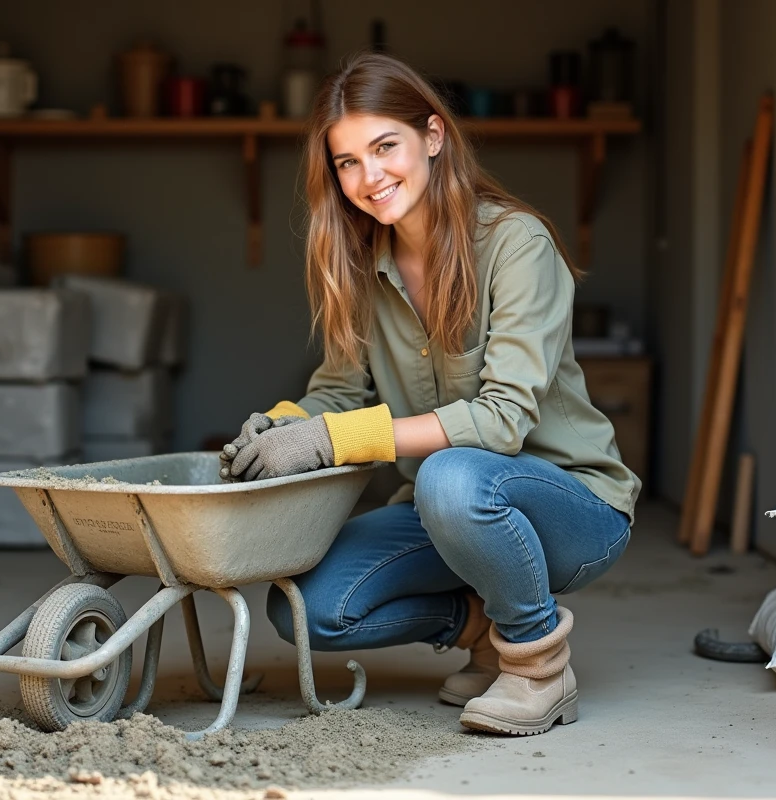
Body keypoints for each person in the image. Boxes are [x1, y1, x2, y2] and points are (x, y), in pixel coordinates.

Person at [218, 52, 640, 736]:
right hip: (445, 509)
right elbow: (338, 391)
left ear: (434, 137)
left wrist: (331, 441)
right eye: (347, 162)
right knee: (308, 608)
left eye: (385, 147)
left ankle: (537, 664)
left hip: (573, 508)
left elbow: (501, 423)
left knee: (451, 478)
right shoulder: (360, 263)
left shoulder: (514, 243)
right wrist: (283, 425)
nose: (369, 176)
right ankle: (481, 630)